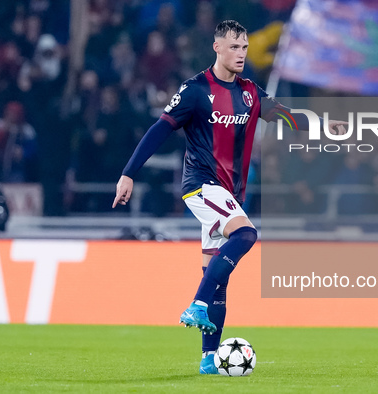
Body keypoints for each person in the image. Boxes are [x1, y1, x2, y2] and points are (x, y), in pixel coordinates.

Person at [112, 20, 346, 374]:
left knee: (219, 279)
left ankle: (208, 358)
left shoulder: (251, 92)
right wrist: (129, 172)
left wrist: (322, 125)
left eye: (244, 48)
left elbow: (284, 115)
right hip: (202, 186)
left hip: (229, 193)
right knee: (246, 234)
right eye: (234, 47)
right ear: (217, 48)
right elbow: (160, 129)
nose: (240, 54)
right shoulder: (194, 91)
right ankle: (197, 304)